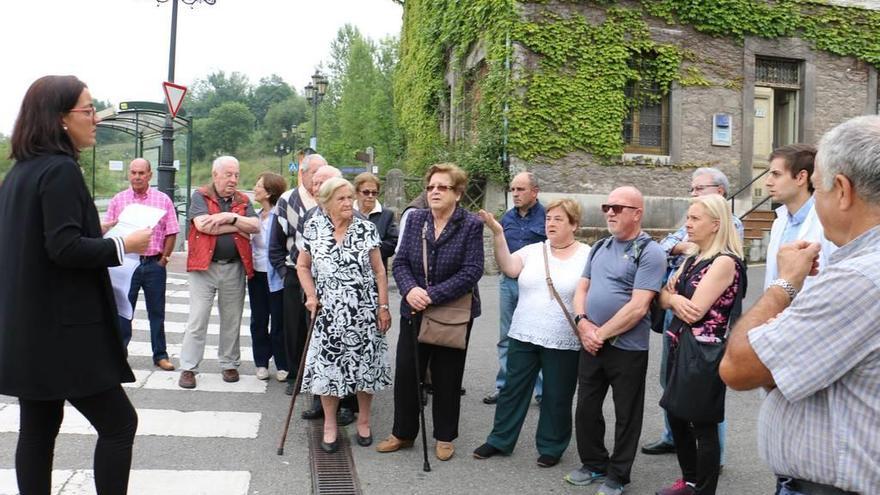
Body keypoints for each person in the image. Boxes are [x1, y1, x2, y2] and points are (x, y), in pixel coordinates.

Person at [0, 75, 152, 494]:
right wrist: (122, 243)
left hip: (29, 328)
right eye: (88, 110)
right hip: (66, 331)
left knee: (38, 430)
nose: (95, 119)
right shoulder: (60, 170)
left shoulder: (20, 173)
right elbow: (64, 248)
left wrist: (96, 234)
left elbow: (42, 244)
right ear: (61, 119)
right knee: (120, 424)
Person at [721, 115, 880, 495]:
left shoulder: (858, 280)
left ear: (842, 190)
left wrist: (784, 284)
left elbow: (738, 367)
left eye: (820, 188)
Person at [377, 163, 484, 461]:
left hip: (453, 312)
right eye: (431, 187)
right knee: (407, 372)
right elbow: (400, 263)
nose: (434, 192)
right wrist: (411, 290)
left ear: (458, 193)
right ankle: (403, 432)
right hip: (414, 308)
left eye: (443, 187)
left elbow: (472, 270)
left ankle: (445, 436)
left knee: (447, 375)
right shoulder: (416, 220)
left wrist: (432, 295)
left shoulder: (471, 224)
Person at [565, 186, 666, 495]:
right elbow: (581, 289)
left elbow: (638, 307)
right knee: (586, 407)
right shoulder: (600, 247)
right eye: (608, 206)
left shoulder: (650, 252)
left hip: (627, 349)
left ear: (637, 214)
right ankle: (594, 463)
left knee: (627, 414)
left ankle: (618, 475)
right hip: (591, 341)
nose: (609, 211)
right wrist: (582, 324)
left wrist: (600, 334)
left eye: (618, 208)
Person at [473, 199, 589, 467]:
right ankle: (500, 439)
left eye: (559, 219)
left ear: (574, 225)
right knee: (513, 389)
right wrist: (498, 233)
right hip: (523, 333)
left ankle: (552, 445)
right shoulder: (535, 250)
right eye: (548, 218)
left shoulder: (587, 255)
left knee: (556, 394)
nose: (551, 223)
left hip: (563, 338)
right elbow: (510, 267)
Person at [642, 168, 742, 462]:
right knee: (671, 385)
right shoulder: (696, 246)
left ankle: (711, 459)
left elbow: (694, 310)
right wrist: (671, 297)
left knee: (703, 403)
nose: (694, 194)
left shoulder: (725, 240)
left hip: (703, 338)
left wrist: (672, 297)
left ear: (720, 193)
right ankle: (677, 441)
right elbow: (660, 251)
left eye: (700, 189)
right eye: (692, 189)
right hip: (678, 330)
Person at [296, 177, 392, 453]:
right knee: (328, 371)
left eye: (350, 197)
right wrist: (311, 295)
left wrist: (383, 307)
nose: (349, 203)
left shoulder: (366, 229)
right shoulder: (313, 228)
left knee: (365, 368)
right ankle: (329, 424)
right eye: (341, 198)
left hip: (363, 312)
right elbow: (302, 266)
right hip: (328, 314)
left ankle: (363, 420)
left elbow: (379, 271)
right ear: (325, 202)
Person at [178, 156, 260, 389]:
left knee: (232, 319)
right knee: (198, 318)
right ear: (216, 175)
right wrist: (238, 225)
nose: (233, 179)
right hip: (204, 267)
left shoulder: (243, 199)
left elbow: (255, 226)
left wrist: (229, 217)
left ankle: (229, 364)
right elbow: (203, 225)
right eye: (228, 175)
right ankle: (189, 368)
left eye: (236, 175)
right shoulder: (200, 195)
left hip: (234, 266)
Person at [104, 158, 179, 371]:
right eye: (133, 173)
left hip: (153, 263)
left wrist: (164, 259)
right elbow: (109, 232)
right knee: (123, 312)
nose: (137, 177)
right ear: (129, 174)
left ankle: (160, 355)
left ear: (149, 175)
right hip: (126, 264)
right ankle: (119, 355)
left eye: (141, 173)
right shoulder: (119, 200)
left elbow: (172, 231)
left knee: (157, 312)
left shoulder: (162, 199)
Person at [483, 171, 546, 406]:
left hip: (536, 285)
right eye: (513, 189)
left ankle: (541, 392)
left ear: (534, 192)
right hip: (509, 284)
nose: (515, 194)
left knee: (538, 337)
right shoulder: (507, 219)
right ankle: (506, 388)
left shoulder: (548, 217)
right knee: (507, 336)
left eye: (520, 189)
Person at [269, 152, 326, 396]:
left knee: (321, 327)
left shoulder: (331, 198)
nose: (319, 180)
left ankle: (320, 377)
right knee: (293, 327)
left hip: (325, 275)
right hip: (294, 272)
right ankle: (296, 374)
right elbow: (276, 243)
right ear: (302, 174)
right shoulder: (287, 200)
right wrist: (284, 271)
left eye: (324, 174)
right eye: (315, 173)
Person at [763, 144, 836, 291]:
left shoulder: (828, 222)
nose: (768, 182)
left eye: (776, 174)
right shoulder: (779, 222)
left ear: (801, 177)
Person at [249, 172, 289, 381]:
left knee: (279, 320)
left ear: (269, 192)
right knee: (258, 319)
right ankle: (261, 362)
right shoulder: (254, 217)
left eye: (258, 185)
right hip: (255, 274)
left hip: (276, 276)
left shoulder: (280, 217)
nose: (254, 189)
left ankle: (282, 363)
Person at [354, 172, 398, 269]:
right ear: (356, 193)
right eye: (366, 192)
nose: (370, 196)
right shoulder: (348, 213)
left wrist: (370, 252)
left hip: (377, 271)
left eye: (374, 193)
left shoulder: (387, 215)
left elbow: (393, 242)